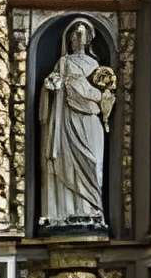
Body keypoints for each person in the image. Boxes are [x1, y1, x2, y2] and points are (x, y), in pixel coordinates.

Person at [37, 19, 115, 231]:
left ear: (89, 38)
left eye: (81, 34)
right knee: (67, 164)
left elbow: (103, 95)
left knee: (92, 163)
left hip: (90, 121)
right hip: (67, 120)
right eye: (74, 34)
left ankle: (92, 211)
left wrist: (97, 96)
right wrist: (51, 87)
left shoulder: (95, 66)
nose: (77, 39)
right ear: (69, 38)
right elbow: (52, 90)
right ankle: (67, 212)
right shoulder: (63, 63)